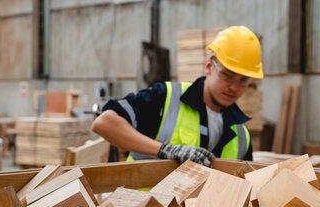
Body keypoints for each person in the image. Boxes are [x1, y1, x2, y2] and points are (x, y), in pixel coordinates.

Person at [92, 25, 263, 167]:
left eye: (243, 80)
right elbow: (104, 123)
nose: (233, 87)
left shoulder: (241, 136)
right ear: (209, 66)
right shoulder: (166, 99)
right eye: (227, 75)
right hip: (143, 206)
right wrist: (166, 150)